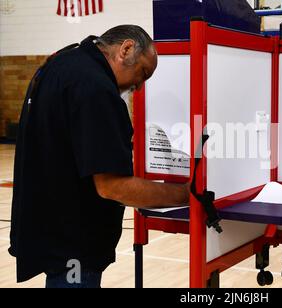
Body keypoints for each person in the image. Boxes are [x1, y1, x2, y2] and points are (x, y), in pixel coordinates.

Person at [9, 25, 190, 288]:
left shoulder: (59, 63)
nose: (139, 87)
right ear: (126, 49)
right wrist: (185, 193)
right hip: (75, 243)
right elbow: (112, 186)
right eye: (142, 73)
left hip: (49, 228)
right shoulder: (96, 88)